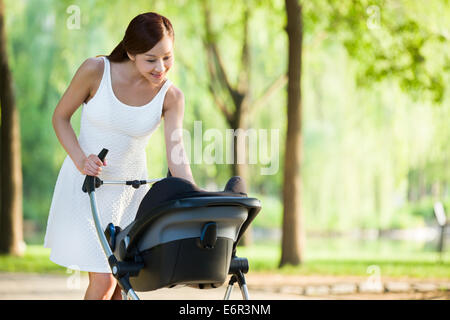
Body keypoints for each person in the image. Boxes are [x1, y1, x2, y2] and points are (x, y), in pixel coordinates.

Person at [44, 12, 194, 300]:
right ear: (131, 52)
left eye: (167, 57)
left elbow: (177, 155)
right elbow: (60, 117)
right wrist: (80, 159)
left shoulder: (171, 96)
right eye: (151, 59)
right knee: (103, 282)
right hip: (87, 188)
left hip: (130, 197)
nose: (160, 67)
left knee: (122, 286)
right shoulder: (95, 70)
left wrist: (193, 197)